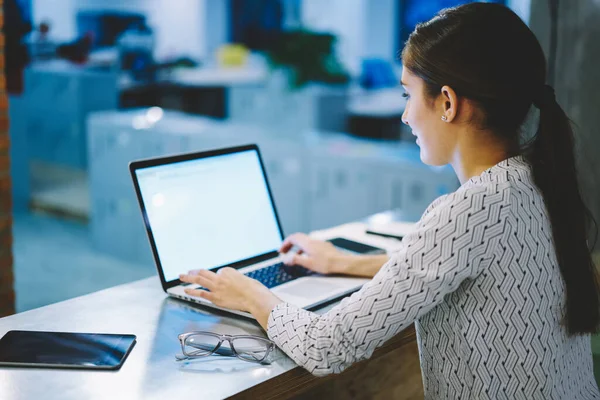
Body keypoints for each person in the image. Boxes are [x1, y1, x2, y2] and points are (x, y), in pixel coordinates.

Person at [180, 3, 600, 398]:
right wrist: (341, 262)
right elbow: (459, 269)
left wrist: (251, 294)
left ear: (448, 103)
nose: (404, 115)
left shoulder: (469, 209)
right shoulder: (536, 180)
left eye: (407, 95)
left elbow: (329, 347)